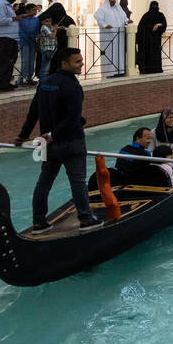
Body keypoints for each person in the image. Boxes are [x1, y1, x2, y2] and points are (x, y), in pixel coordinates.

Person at [15, 47, 101, 232]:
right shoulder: (73, 86)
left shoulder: (44, 82)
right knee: (78, 182)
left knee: (43, 182)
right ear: (64, 63)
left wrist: (23, 135)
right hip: (71, 142)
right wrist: (53, 135)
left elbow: (33, 112)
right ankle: (85, 219)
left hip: (47, 144)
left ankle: (39, 222)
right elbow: (72, 118)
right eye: (77, 61)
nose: (82, 64)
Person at [0, 0, 22, 91]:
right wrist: (15, 18)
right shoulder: (0, 4)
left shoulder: (7, 5)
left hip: (11, 36)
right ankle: (0, 83)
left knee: (11, 60)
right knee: (3, 60)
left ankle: (6, 82)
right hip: (4, 36)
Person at [94, 0, 130, 77]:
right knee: (109, 53)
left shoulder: (119, 9)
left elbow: (124, 18)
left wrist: (128, 21)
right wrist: (105, 25)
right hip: (108, 36)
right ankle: (109, 72)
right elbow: (98, 19)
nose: (112, 1)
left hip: (119, 35)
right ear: (107, 0)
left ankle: (119, 70)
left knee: (119, 53)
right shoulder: (103, 9)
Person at [135, 0, 167, 74]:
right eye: (154, 6)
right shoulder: (147, 15)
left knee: (154, 55)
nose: (155, 8)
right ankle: (146, 69)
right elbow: (141, 27)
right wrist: (152, 27)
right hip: (147, 40)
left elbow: (164, 25)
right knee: (148, 54)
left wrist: (158, 25)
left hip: (154, 41)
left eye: (156, 6)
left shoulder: (158, 15)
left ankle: (153, 69)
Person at [16, 3, 40, 85]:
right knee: (25, 61)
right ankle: (21, 79)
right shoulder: (22, 19)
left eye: (36, 10)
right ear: (27, 10)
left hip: (32, 42)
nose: (35, 12)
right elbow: (25, 30)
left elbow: (36, 30)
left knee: (32, 60)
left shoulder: (36, 20)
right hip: (24, 42)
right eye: (33, 10)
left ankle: (29, 78)